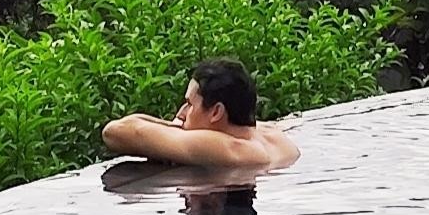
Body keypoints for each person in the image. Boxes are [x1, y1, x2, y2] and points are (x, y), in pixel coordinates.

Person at [101, 57, 299, 172]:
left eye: (189, 104)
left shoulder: (225, 148)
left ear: (216, 112)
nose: (181, 114)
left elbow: (115, 132)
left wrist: (175, 127)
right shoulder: (270, 135)